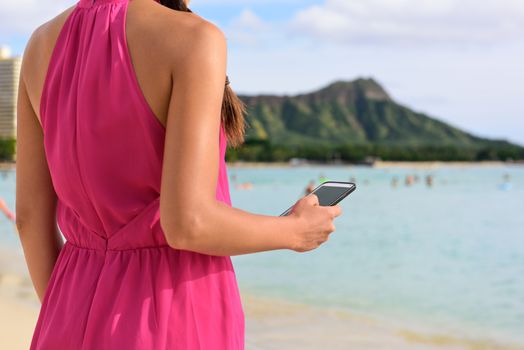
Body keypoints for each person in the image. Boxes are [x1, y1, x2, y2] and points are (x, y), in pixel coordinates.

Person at [15, 0, 343, 348]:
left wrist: (70, 309)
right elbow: (188, 223)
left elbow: (29, 219)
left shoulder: (40, 44)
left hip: (67, 311)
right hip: (172, 312)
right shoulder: (192, 39)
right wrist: (296, 231)